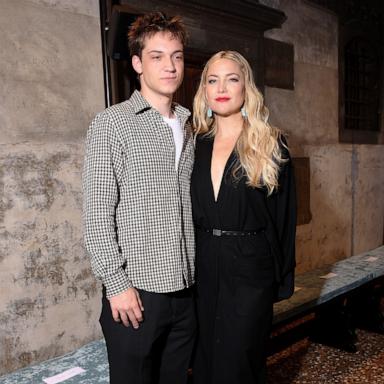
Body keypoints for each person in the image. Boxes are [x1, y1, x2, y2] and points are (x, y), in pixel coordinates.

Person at [83, 12, 196, 384]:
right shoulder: (112, 123)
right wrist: (116, 285)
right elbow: (97, 212)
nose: (170, 65)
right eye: (157, 56)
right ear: (137, 63)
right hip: (137, 293)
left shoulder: (191, 123)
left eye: (177, 56)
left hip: (187, 290)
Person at [191, 51, 296, 384]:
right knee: (205, 360)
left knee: (240, 364)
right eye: (213, 79)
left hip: (252, 271)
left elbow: (284, 219)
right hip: (205, 266)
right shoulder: (194, 143)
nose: (222, 87)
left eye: (232, 78)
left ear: (245, 87)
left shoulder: (271, 143)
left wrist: (280, 280)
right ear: (204, 90)